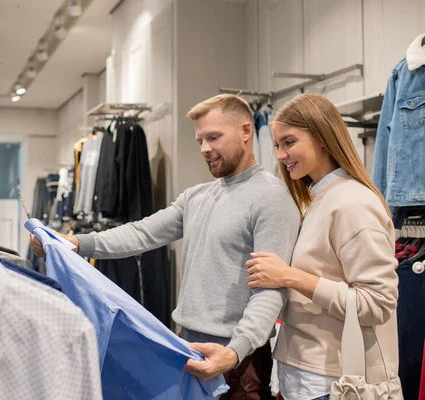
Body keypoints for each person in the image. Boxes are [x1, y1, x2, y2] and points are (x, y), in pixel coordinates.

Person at [31, 94, 301, 399]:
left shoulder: (271, 199)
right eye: (200, 140)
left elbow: (270, 291)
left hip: (237, 360)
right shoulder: (197, 196)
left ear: (245, 131)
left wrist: (234, 352)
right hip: (186, 346)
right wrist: (76, 243)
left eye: (214, 137)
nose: (205, 149)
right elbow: (142, 234)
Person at [243, 93, 399, 400]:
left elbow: (378, 302)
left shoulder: (353, 204)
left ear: (323, 138)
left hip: (334, 380)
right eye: (277, 145)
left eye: (289, 142)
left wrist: (290, 277)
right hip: (304, 374)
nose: (279, 155)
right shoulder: (316, 200)